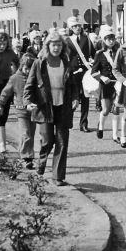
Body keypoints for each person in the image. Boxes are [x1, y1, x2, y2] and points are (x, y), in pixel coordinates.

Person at [24, 29, 79, 186]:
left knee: (62, 141)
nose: (56, 48)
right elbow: (30, 85)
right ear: (48, 46)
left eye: (59, 45)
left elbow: (73, 85)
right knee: (47, 141)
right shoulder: (39, 63)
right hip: (45, 106)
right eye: (53, 45)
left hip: (63, 106)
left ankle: (58, 176)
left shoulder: (66, 63)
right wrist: (28, 101)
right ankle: (42, 162)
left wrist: (75, 98)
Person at [0, 54, 37, 169]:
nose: (28, 71)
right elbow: (6, 92)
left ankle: (27, 153)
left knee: (31, 134)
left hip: (33, 110)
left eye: (31, 68)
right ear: (21, 66)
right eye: (26, 68)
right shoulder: (15, 78)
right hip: (21, 111)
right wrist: (1, 104)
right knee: (26, 133)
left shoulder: (35, 78)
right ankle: (27, 157)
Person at [65, 16, 96, 133]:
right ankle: (68, 121)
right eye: (75, 26)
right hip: (73, 72)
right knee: (73, 97)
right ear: (71, 28)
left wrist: (92, 61)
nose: (77, 28)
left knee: (86, 98)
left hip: (85, 71)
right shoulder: (67, 41)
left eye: (79, 26)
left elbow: (93, 54)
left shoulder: (86, 39)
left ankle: (83, 124)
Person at [91, 24, 121, 141]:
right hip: (105, 84)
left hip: (117, 84)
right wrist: (102, 78)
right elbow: (93, 72)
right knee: (106, 109)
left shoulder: (119, 52)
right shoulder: (99, 54)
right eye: (108, 38)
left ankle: (115, 135)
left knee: (116, 109)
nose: (111, 41)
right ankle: (101, 127)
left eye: (113, 38)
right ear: (104, 40)